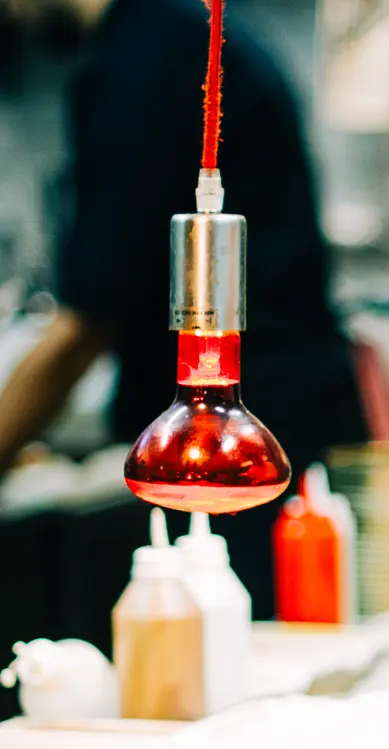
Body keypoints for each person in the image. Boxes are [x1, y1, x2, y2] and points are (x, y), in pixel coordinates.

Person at [0, 0, 367, 619]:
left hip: (238, 454)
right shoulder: (176, 43)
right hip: (233, 438)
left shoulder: (149, 61)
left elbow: (88, 316)